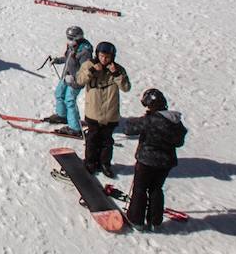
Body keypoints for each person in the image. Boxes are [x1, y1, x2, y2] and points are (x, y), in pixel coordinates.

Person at [126, 89, 187, 231]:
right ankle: (155, 221)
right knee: (156, 189)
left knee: (140, 189)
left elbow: (129, 129)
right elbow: (179, 141)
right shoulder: (174, 121)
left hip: (147, 161)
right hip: (165, 162)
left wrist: (143, 119)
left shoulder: (151, 120)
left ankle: (136, 220)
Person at [76, 41, 130, 177]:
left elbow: (126, 87)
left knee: (107, 141)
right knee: (92, 139)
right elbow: (80, 80)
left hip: (110, 113)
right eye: (101, 56)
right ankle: (90, 162)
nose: (104, 60)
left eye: (107, 57)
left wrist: (117, 74)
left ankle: (105, 163)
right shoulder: (89, 65)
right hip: (93, 111)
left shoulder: (118, 69)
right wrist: (93, 71)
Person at [45, 26, 90, 135]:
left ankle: (75, 128)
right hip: (66, 76)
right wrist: (57, 60)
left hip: (75, 81)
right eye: (68, 37)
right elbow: (68, 59)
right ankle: (62, 115)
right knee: (59, 93)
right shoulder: (72, 46)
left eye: (71, 38)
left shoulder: (84, 52)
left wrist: (74, 78)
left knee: (70, 101)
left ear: (78, 38)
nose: (68, 40)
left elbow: (85, 69)